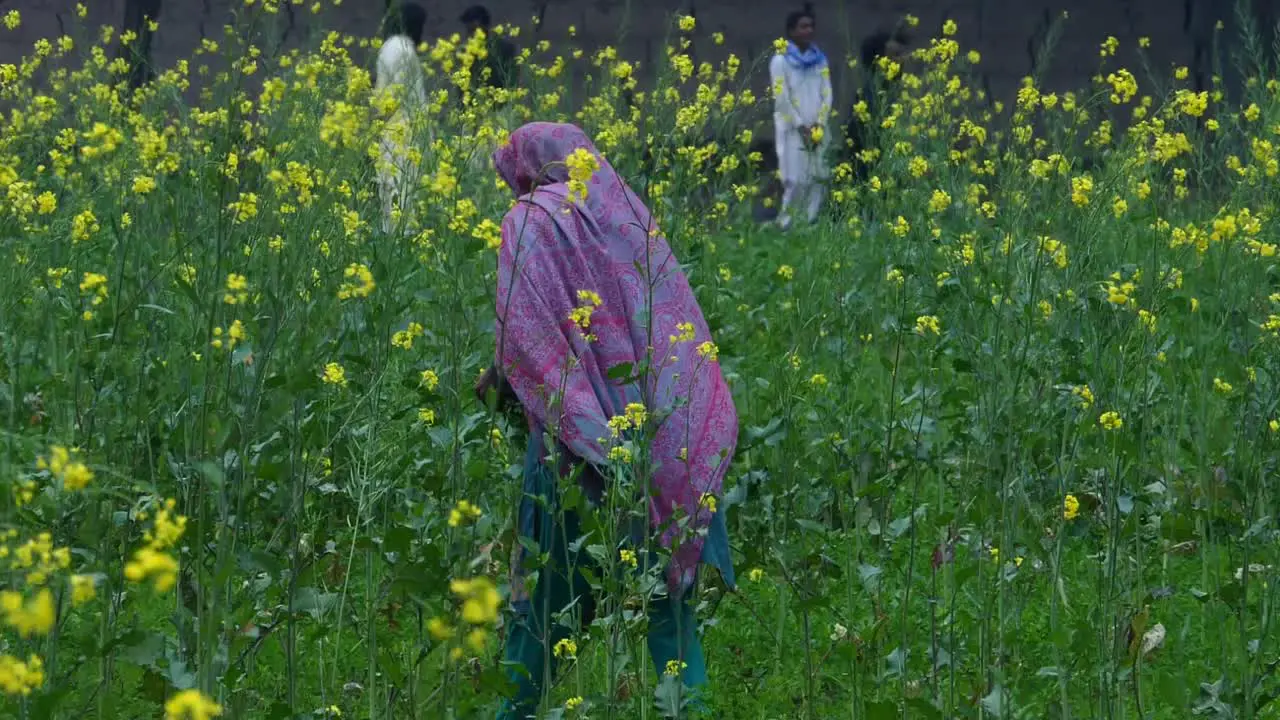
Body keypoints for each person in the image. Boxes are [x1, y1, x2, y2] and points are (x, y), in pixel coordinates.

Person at [479, 122, 738, 719]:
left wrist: (502, 380)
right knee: (669, 618)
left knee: (539, 619)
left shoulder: (528, 221)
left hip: (574, 454)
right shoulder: (624, 211)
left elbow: (526, 335)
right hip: (665, 443)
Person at [769, 5, 832, 229]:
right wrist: (801, 125)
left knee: (818, 177)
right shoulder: (781, 61)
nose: (809, 30)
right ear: (792, 31)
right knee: (795, 179)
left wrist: (820, 123)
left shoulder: (820, 60)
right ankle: (787, 225)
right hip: (793, 129)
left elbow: (827, 93)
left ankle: (809, 222)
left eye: (811, 26)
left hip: (818, 128)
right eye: (803, 26)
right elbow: (781, 97)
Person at [374, 3, 428, 234]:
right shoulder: (404, 48)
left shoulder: (393, 47)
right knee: (404, 197)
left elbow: (388, 98)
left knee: (395, 196)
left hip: (396, 132)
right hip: (406, 133)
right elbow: (397, 95)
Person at [845, 27, 911, 179]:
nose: (902, 60)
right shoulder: (869, 96)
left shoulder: (892, 92)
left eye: (902, 54)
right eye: (896, 55)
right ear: (878, 60)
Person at [461, 5, 518, 89]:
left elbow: (512, 78)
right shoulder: (465, 51)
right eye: (468, 30)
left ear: (483, 26)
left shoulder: (504, 48)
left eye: (472, 30)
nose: (470, 35)